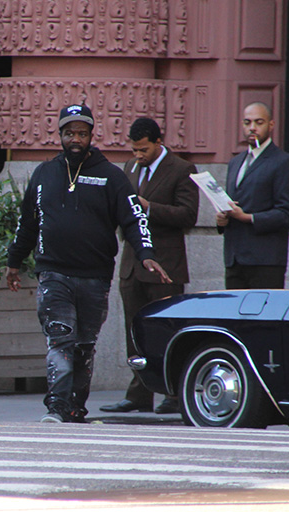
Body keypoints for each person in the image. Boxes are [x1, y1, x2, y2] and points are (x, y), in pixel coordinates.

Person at [5, 104, 171, 424]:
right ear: (60, 136)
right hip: (53, 273)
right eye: (70, 133)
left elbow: (134, 219)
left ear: (91, 135)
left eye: (82, 133)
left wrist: (146, 254)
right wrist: (14, 262)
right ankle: (55, 407)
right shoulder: (44, 174)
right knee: (60, 338)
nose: (76, 139)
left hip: (95, 277)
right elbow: (27, 224)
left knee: (83, 347)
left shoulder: (111, 176)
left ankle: (74, 408)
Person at [100, 118, 199, 416]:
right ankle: (139, 393)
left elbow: (188, 215)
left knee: (168, 331)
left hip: (166, 266)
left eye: (143, 149)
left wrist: (149, 207)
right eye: (134, 150)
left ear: (158, 142)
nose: (138, 155)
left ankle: (172, 394)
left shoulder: (182, 169)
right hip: (132, 264)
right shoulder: (129, 168)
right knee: (135, 331)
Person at [217, 102, 289, 289]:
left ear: (271, 125)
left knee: (264, 317)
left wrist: (248, 218)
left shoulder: (283, 162)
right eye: (247, 123)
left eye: (258, 122)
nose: (252, 128)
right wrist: (222, 220)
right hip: (234, 259)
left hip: (266, 261)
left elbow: (288, 214)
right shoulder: (235, 162)